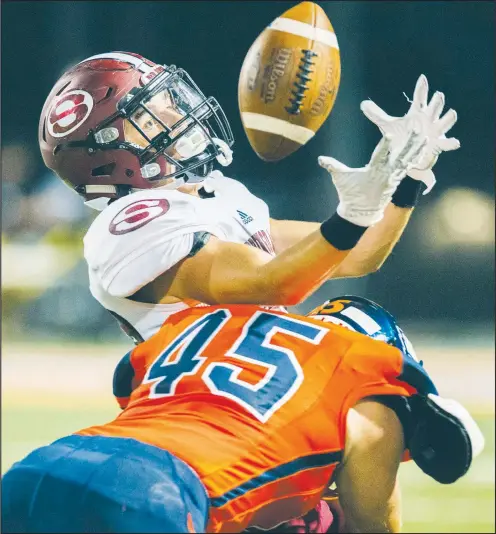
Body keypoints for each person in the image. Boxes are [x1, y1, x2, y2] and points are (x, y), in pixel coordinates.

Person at [38, 52, 460, 344]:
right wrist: (351, 215)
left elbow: (359, 253)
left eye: (166, 99)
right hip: (205, 409)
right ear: (108, 156)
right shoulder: (133, 222)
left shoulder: (215, 197)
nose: (173, 112)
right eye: (148, 114)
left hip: (254, 392)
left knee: (363, 324)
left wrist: (408, 178)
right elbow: (274, 281)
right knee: (361, 327)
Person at [1, 296, 484, 533]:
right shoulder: (370, 379)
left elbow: (133, 381)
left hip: (40, 468)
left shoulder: (223, 324)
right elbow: (371, 528)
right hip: (153, 497)